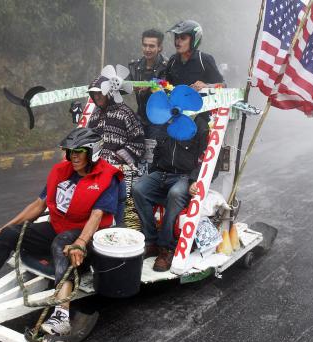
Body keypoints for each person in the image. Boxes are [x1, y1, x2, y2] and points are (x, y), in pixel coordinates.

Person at [0, 128, 123, 336]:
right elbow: (38, 205)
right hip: (58, 228)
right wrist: (5, 227)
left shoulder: (106, 178)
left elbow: (97, 217)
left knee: (61, 243)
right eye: (70, 151)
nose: (73, 156)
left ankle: (62, 315)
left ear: (92, 152)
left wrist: (81, 242)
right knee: (10, 234)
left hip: (88, 236)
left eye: (79, 151)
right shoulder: (61, 172)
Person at [132, 20, 225, 272]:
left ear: (193, 39)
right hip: (173, 120)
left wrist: (206, 86)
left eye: (183, 37)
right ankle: (150, 240)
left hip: (198, 117)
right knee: (139, 188)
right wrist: (158, 87)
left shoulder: (205, 61)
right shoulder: (172, 62)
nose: (178, 41)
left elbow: (222, 86)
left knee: (175, 193)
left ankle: (166, 247)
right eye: (176, 38)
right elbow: (164, 83)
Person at [87, 75, 145, 226]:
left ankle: (122, 231)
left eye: (100, 92)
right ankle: (95, 230)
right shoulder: (94, 116)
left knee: (125, 206)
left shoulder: (125, 113)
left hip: (122, 168)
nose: (97, 96)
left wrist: (118, 156)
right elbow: (88, 141)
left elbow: (139, 144)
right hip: (97, 168)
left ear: (110, 93)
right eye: (94, 93)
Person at [128, 29, 168, 141]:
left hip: (160, 118)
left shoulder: (168, 66)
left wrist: (152, 86)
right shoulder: (134, 66)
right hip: (140, 117)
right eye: (145, 45)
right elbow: (124, 86)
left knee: (156, 152)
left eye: (151, 46)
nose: (147, 49)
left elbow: (168, 87)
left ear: (159, 47)